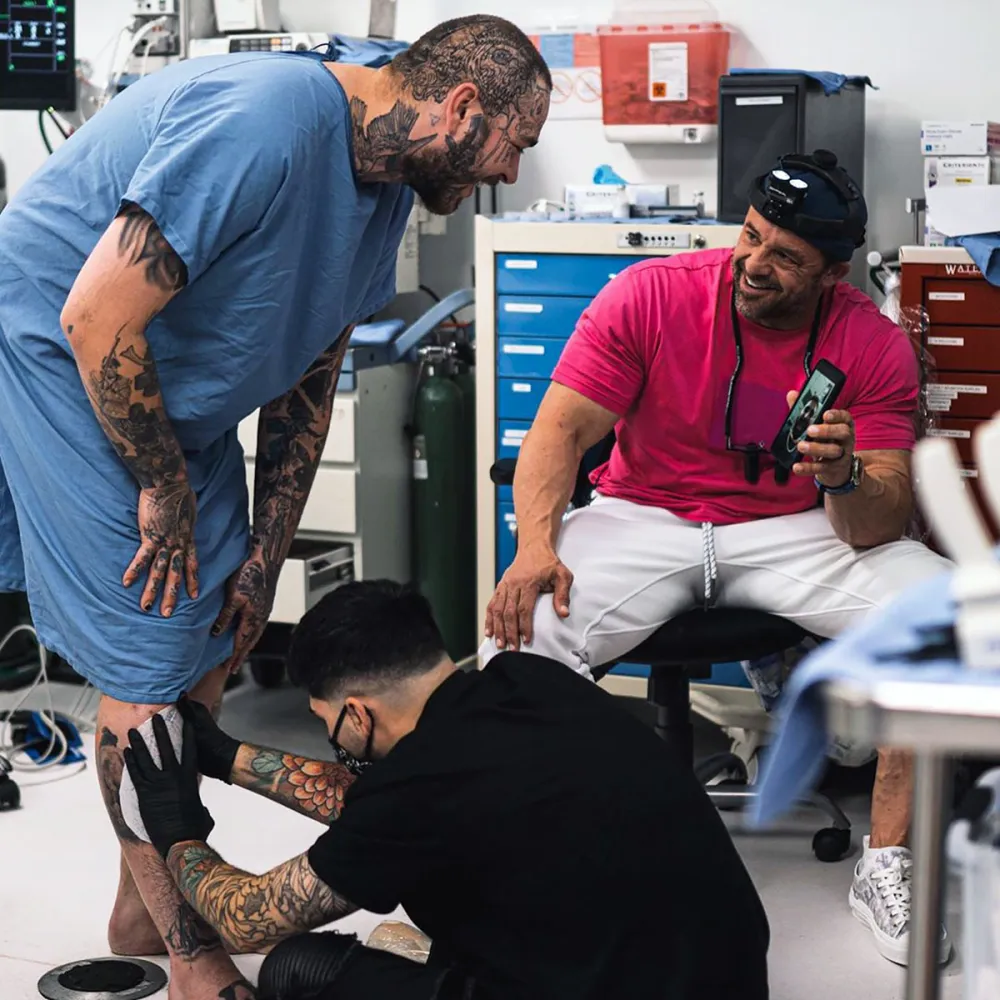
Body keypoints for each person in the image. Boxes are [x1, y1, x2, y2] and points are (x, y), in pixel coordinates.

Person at [0, 15, 550, 1000]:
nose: (510, 171)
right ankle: (185, 954)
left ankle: (143, 902)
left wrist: (263, 552)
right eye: (515, 145)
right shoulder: (265, 122)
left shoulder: (387, 182)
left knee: (218, 628)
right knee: (148, 654)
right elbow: (94, 316)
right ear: (463, 107)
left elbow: (311, 371)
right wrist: (164, 486)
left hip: (162, 377)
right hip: (67, 356)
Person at [480, 149, 953, 966]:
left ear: (832, 275)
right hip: (644, 515)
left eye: (786, 257)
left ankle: (887, 862)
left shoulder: (872, 345)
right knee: (517, 637)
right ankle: (534, 860)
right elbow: (559, 429)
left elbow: (876, 524)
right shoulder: (650, 294)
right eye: (752, 235)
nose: (755, 263)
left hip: (793, 526)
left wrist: (843, 476)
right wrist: (535, 547)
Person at [123, 579, 771, 1000]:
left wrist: (178, 827)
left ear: (359, 713)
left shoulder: (417, 792)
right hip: (731, 977)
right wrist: (229, 757)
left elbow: (245, 918)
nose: (333, 737)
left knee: (297, 966)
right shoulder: (529, 681)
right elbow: (388, 810)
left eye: (328, 722)